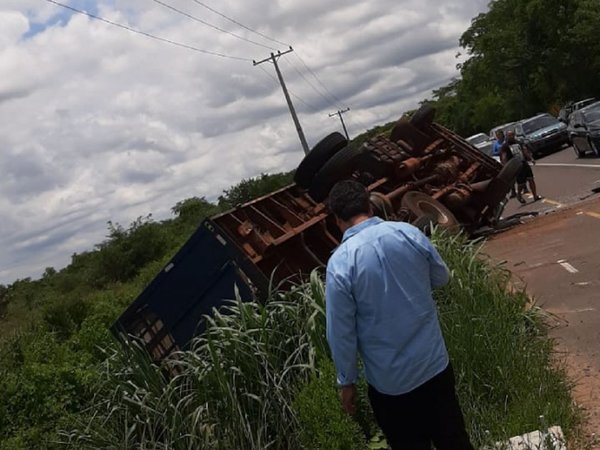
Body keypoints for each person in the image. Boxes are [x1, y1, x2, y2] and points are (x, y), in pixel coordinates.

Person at [325, 180, 474, 450]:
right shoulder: (408, 233)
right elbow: (441, 277)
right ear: (369, 205)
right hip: (434, 366)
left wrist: (347, 382)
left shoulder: (340, 263)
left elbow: (341, 333)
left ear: (337, 219)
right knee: (454, 440)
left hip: (391, 385)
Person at [500, 131, 542, 204]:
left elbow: (524, 151)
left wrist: (531, 158)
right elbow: (504, 157)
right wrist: (505, 166)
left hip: (524, 163)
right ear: (507, 136)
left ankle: (535, 196)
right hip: (515, 165)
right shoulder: (505, 146)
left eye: (512, 135)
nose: (511, 136)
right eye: (509, 135)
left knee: (531, 179)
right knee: (521, 183)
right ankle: (519, 195)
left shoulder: (518, 142)